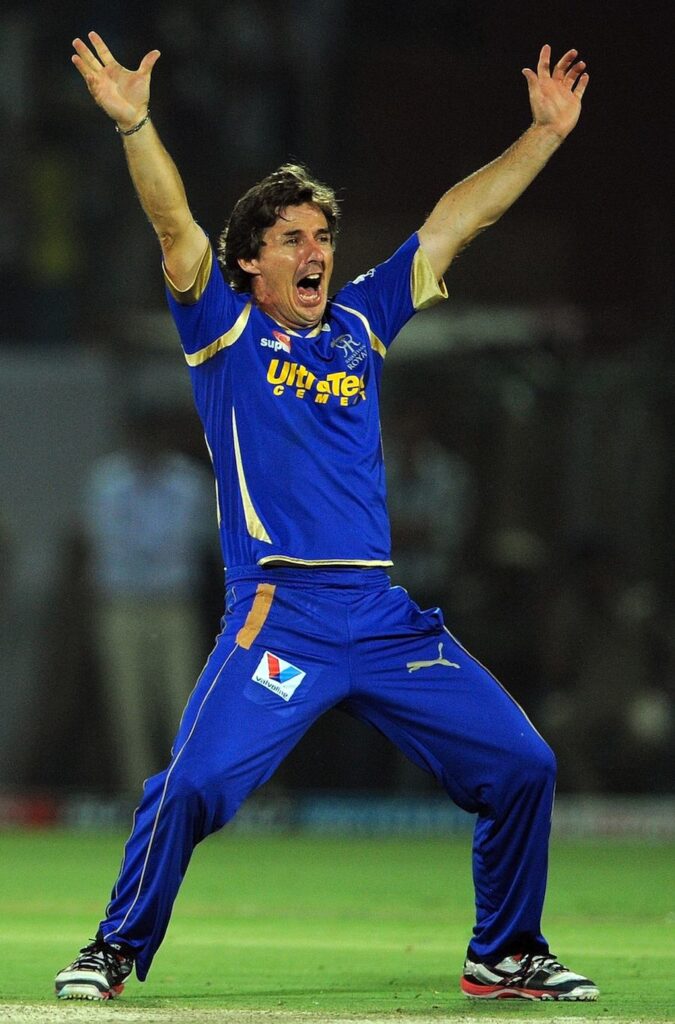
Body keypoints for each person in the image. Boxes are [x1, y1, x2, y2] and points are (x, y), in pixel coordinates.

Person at [56, 30, 597, 1003]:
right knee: (192, 788)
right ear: (252, 262)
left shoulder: (357, 324)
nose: (317, 251)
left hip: (382, 619)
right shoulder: (224, 330)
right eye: (294, 239)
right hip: (283, 614)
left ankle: (505, 948)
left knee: (523, 764)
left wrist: (544, 138)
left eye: (323, 236)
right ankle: (115, 946)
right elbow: (175, 228)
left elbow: (452, 224)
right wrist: (136, 124)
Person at [81, 407, 217, 792]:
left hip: (174, 607)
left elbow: (197, 545)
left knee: (182, 702)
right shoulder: (107, 482)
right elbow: (111, 546)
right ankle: (138, 794)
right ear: (129, 441)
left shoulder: (188, 483)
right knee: (130, 709)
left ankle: (186, 790)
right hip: (122, 607)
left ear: (163, 440)